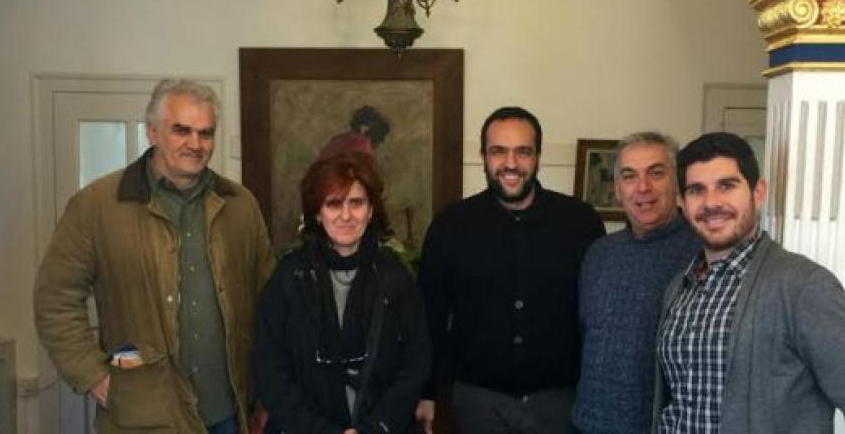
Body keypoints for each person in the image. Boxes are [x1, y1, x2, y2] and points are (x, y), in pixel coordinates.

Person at [34, 79, 274, 433]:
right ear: (152, 132)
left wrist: (266, 392)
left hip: (227, 413)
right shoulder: (96, 206)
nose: (195, 144)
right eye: (181, 130)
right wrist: (92, 375)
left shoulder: (240, 205)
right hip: (140, 417)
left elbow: (270, 303)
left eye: (206, 133)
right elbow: (55, 299)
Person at [416, 107, 605, 434]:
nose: (511, 163)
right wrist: (427, 392)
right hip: (476, 402)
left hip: (560, 402)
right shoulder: (450, 226)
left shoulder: (581, 222)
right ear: (483, 157)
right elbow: (429, 316)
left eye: (523, 152)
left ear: (538, 157)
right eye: (498, 151)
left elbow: (599, 317)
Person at [653, 132, 845, 433]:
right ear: (681, 201)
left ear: (758, 192)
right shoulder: (680, 287)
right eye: (696, 190)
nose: (711, 202)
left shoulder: (804, 286)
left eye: (727, 186)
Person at [254, 151, 430, 433]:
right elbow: (270, 369)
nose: (346, 215)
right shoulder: (289, 277)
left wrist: (375, 428)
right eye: (334, 204)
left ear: (371, 210)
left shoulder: (395, 277)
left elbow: (415, 363)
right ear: (317, 213)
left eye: (356, 203)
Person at [573, 132, 700, 434]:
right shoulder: (599, 253)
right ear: (618, 189)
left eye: (656, 173)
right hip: (586, 423)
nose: (643, 187)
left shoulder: (701, 253)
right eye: (629, 176)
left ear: (677, 181)